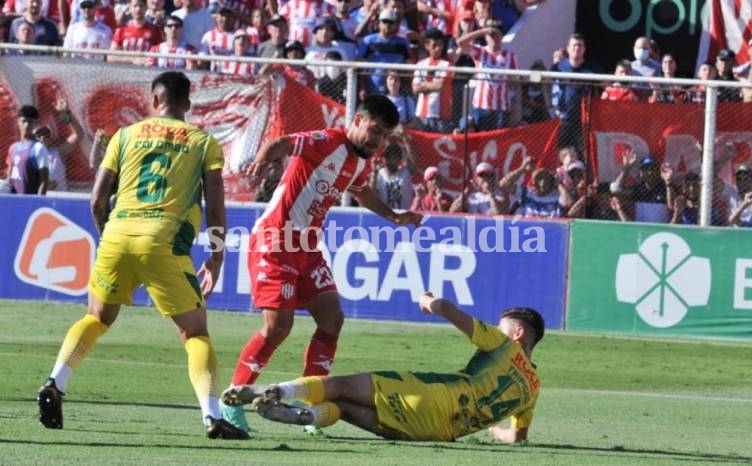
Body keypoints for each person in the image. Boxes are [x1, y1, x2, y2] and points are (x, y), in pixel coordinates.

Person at [35, 71, 249, 440]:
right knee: (194, 332)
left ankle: (56, 381)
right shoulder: (203, 142)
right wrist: (216, 257)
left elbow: (97, 198)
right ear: (187, 104)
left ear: (153, 100)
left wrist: (108, 237)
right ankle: (212, 416)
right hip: (163, 241)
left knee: (97, 317)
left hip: (117, 235)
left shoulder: (125, 135)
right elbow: (215, 206)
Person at [219, 94, 423, 434]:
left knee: (332, 319)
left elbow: (361, 192)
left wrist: (395, 217)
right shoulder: (328, 141)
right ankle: (231, 401)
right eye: (374, 131)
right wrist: (263, 161)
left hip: (307, 247)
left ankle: (308, 403)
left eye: (385, 135)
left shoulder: (361, 160)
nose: (378, 141)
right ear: (357, 121)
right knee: (277, 327)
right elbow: (282, 142)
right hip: (276, 239)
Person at [221, 291, 545, 443]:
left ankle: (273, 390)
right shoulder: (533, 388)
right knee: (344, 409)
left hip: (433, 397)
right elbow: (518, 438)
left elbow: (447, 307)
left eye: (502, 327)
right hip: (437, 433)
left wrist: (428, 302)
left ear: (517, 334)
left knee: (339, 385)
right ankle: (300, 416)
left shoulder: (504, 344)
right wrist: (494, 429)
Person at [550, 33, 604, 153]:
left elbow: (606, 84)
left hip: (585, 119)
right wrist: (550, 106)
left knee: (583, 153)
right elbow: (546, 83)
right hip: (563, 118)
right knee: (560, 151)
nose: (577, 48)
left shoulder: (592, 68)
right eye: (574, 45)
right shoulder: (558, 67)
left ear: (584, 49)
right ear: (568, 48)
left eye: (580, 46)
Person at [32, 96, 85, 192]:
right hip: (38, 202)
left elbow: (79, 134)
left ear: (50, 138)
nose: (43, 137)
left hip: (60, 200)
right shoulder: (29, 158)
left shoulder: (57, 153)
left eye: (46, 134)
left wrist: (66, 112)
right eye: (39, 134)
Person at [4, 105, 49, 195]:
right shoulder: (13, 148)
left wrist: (37, 202)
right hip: (13, 200)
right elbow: (9, 177)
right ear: (18, 122)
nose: (27, 125)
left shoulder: (38, 148)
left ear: (35, 124)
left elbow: (44, 181)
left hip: (29, 202)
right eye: (24, 121)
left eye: (30, 122)